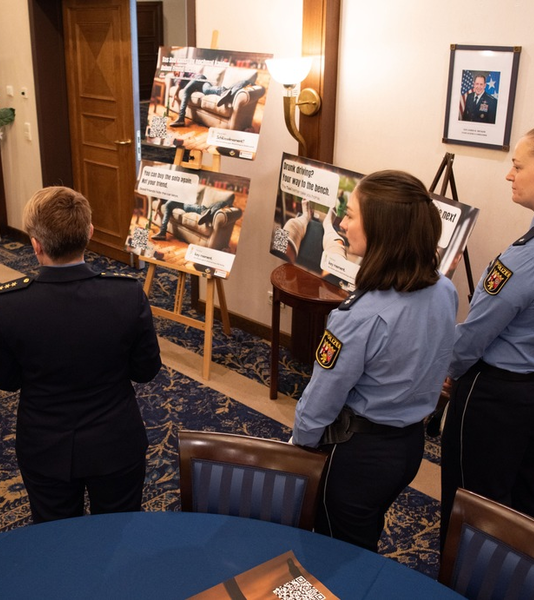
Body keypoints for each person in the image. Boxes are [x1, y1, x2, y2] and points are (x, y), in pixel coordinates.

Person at [292, 170, 458, 552]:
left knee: (335, 552)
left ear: (382, 230)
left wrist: (298, 451)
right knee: (363, 534)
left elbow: (322, 399)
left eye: (350, 215)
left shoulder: (360, 316)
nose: (342, 224)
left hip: (356, 456)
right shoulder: (444, 290)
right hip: (407, 448)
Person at [0, 186, 162, 523]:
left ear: (35, 244)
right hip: (116, 443)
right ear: (90, 234)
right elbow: (145, 370)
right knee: (118, 534)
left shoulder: (9, 305)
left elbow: (4, 381)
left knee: (56, 543)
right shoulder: (127, 295)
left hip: (44, 448)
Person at [440, 129, 534, 542]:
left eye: (517, 165)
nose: (509, 176)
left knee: (470, 500)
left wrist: (446, 370)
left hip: (494, 397)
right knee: (521, 499)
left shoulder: (521, 262)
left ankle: (457, 579)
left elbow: (476, 333)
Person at [169, 70, 258, 128]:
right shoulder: (176, 78)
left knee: (186, 91)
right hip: (200, 86)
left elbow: (180, 85)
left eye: (175, 71)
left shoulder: (182, 72)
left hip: (200, 78)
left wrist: (173, 98)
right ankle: (227, 90)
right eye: (174, 72)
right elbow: (178, 84)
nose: (175, 72)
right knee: (207, 90)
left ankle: (181, 118)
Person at [151, 194, 234, 241]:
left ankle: (208, 212)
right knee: (193, 207)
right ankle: (208, 213)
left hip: (181, 201)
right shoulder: (162, 196)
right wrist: (156, 212)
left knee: (192, 207)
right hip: (180, 203)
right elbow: (160, 200)